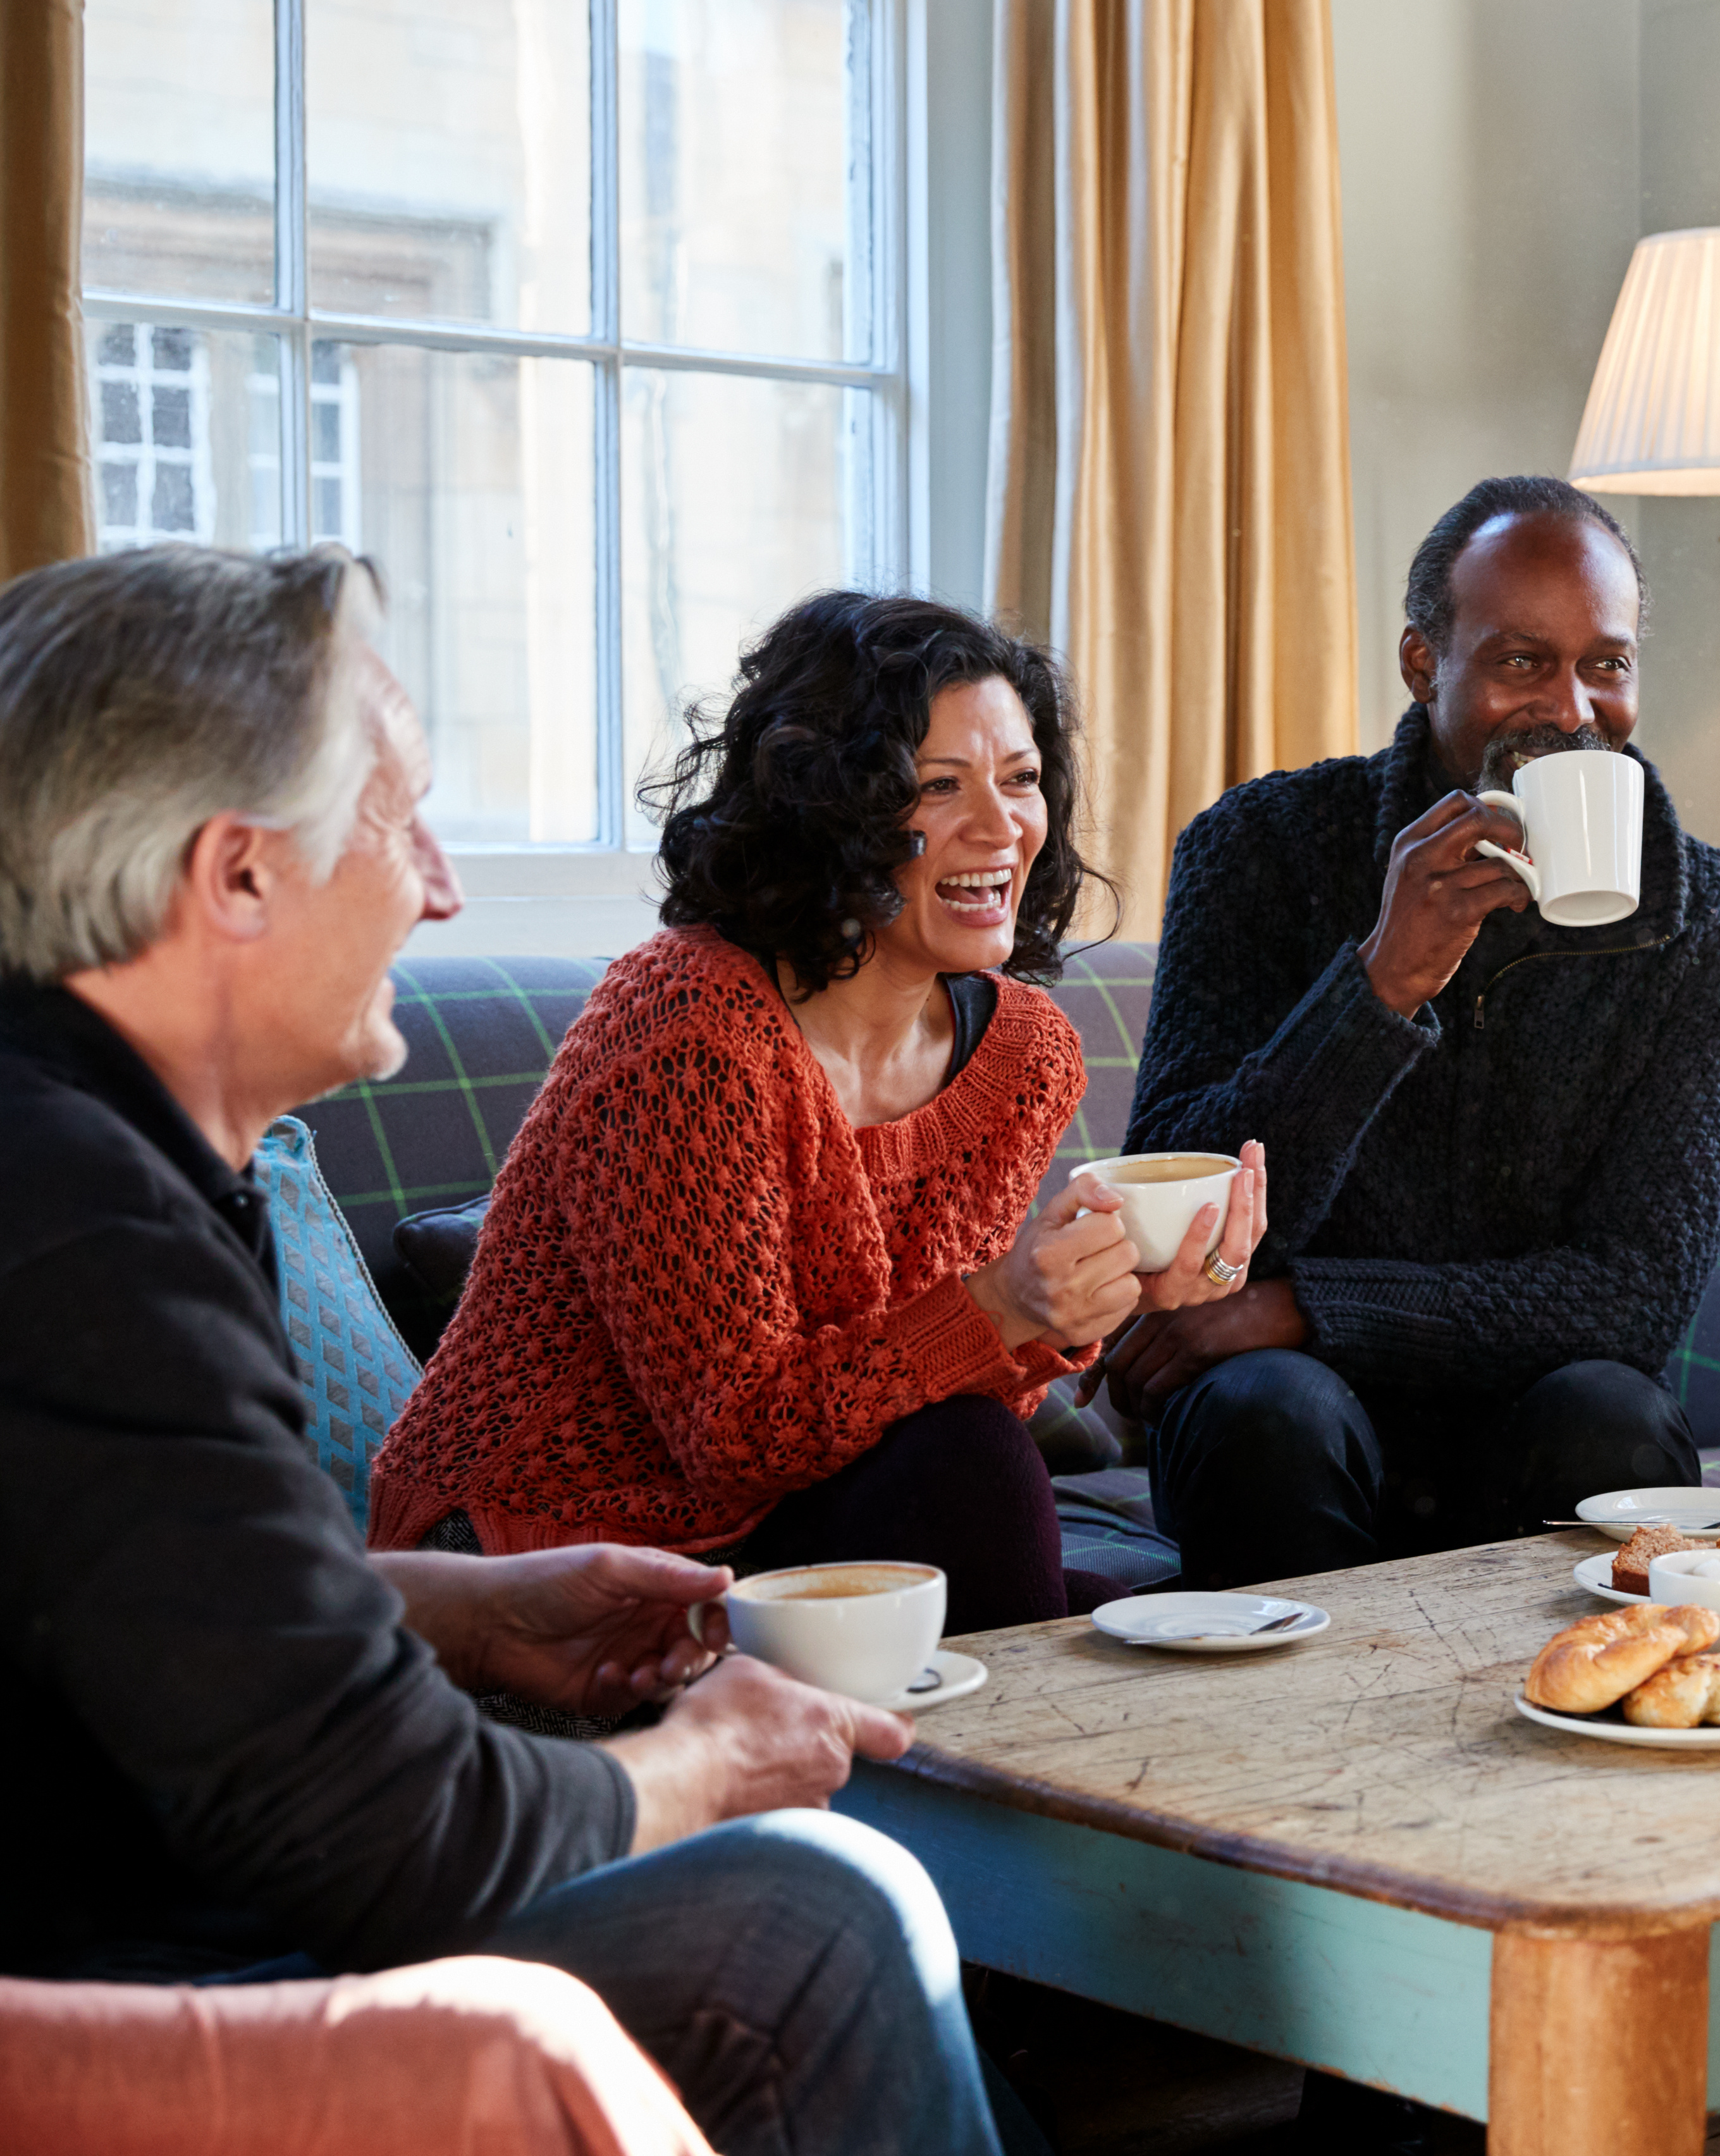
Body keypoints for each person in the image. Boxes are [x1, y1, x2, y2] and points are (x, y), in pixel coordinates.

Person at [0, 543, 1030, 2153]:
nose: (440, 881)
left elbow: (110, 1602)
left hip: (155, 1903)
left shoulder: (114, 1169)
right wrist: (696, 1760)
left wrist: (468, 1613)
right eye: (394, 815)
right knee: (811, 1916)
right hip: (109, 1980)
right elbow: (387, 1826)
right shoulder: (74, 1228)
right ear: (235, 874)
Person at [370, 591, 1267, 1631]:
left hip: (781, 1520)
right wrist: (1008, 1305)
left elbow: (929, 1406)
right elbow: (740, 1432)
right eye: (939, 787)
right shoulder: (689, 1030)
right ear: (830, 811)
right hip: (536, 1557)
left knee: (1118, 1629)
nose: (1002, 827)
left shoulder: (1025, 1055)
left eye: (1021, 780)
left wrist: (1095, 1300)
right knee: (996, 1512)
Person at [1106, 474, 1720, 1589]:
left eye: (1606, 665)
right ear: (1425, 663)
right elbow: (1192, 1208)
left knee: (1611, 1416)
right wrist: (1379, 987)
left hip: (1526, 1416)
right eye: (1523, 660)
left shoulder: (1712, 920)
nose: (1573, 709)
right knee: (1270, 1411)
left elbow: (1635, 1296)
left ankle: (1583, 1749)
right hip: (1285, 1416)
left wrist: (1304, 1309)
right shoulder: (1260, 850)